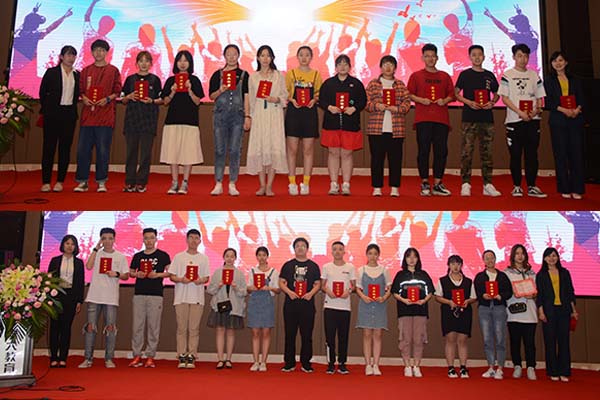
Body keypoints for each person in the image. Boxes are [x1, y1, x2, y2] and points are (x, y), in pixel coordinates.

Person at [498, 43, 547, 198]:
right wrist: (520, 112)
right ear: (514, 57)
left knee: (532, 155)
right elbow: (505, 98)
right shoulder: (507, 75)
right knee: (515, 155)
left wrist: (535, 111)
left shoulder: (534, 75)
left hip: (533, 120)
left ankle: (532, 186)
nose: (523, 59)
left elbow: (540, 97)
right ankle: (517, 186)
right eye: (519, 56)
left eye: (526, 56)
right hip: (514, 121)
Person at [74, 39, 121, 193]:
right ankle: (82, 181)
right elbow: (81, 90)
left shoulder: (113, 71)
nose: (98, 53)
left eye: (102, 50)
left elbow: (117, 91)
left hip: (105, 117)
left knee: (102, 150)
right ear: (92, 52)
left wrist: (107, 99)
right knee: (83, 150)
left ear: (107, 52)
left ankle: (101, 181)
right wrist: (84, 98)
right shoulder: (86, 70)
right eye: (96, 50)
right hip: (88, 117)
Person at [407, 43, 455, 197]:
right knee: (424, 151)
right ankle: (425, 182)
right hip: (423, 119)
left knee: (441, 151)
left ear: (437, 58)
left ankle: (438, 183)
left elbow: (452, 95)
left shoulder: (444, 76)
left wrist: (444, 100)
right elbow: (409, 94)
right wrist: (420, 100)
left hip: (441, 119)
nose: (430, 59)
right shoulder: (416, 76)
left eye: (433, 56)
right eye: (427, 56)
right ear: (422, 58)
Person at [454, 45, 502, 197]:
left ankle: (488, 184)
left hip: (486, 118)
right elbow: (456, 93)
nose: (477, 57)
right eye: (474, 55)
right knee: (466, 152)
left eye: (479, 54)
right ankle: (465, 183)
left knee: (487, 153)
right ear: (470, 57)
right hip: (469, 118)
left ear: (484, 57)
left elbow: (497, 93)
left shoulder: (489, 75)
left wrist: (492, 102)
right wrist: (468, 102)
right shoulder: (465, 74)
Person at [78, 228, 129, 368]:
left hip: (111, 298)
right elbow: (88, 266)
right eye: (104, 238)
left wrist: (116, 274)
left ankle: (109, 358)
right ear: (101, 239)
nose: (107, 241)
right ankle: (88, 359)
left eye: (110, 238)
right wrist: (96, 248)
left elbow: (126, 275)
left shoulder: (120, 256)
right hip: (94, 296)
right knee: (90, 328)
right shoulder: (97, 253)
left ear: (114, 239)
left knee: (111, 329)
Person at [318, 54, 367, 195]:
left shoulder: (356, 84)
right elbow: (321, 100)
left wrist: (354, 108)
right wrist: (329, 107)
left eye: (345, 64)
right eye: (340, 64)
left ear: (350, 67)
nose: (342, 66)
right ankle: (333, 184)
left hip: (350, 124)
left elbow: (363, 101)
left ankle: (346, 184)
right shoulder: (328, 83)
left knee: (347, 153)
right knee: (333, 152)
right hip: (331, 124)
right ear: (335, 67)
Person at [365, 55, 411, 197]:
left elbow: (407, 103)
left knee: (395, 160)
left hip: (396, 129)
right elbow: (366, 102)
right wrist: (376, 105)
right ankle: (377, 187)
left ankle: (394, 187)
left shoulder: (400, 85)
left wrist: (397, 109)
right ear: (380, 67)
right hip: (376, 128)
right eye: (385, 64)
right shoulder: (373, 84)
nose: (388, 67)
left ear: (395, 68)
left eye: (391, 64)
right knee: (377, 159)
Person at [160, 50, 205, 195]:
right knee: (172, 153)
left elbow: (197, 102)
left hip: (190, 121)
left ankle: (185, 182)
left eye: (186, 60)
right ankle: (174, 182)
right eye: (180, 60)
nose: (183, 63)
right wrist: (172, 91)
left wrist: (190, 90)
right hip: (172, 121)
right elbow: (165, 102)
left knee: (188, 153)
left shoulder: (195, 80)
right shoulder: (170, 80)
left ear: (190, 63)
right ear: (176, 63)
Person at [209, 44, 251, 196]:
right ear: (224, 56)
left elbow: (246, 97)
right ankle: (218, 182)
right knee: (219, 150)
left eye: (234, 54)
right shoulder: (217, 75)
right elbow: (211, 96)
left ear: (238, 56)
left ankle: (233, 182)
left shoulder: (244, 75)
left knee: (235, 150)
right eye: (228, 54)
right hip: (220, 116)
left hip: (237, 117)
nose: (232, 57)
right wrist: (221, 90)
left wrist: (247, 116)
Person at [246, 45, 288, 196]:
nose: (265, 58)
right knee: (260, 148)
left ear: (272, 58)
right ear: (258, 58)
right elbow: (251, 99)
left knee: (273, 148)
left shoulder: (278, 75)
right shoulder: (253, 77)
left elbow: (285, 95)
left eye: (268, 55)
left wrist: (276, 99)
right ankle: (262, 185)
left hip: (274, 115)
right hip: (259, 116)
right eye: (262, 55)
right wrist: (250, 116)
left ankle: (270, 186)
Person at [544, 51, 586, 199]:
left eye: (561, 60)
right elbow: (548, 102)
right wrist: (564, 110)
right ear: (551, 64)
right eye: (555, 61)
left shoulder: (575, 79)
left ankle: (577, 188)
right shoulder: (548, 80)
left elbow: (582, 98)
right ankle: (564, 188)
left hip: (575, 120)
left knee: (576, 154)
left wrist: (577, 110)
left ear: (566, 62)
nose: (558, 63)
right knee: (561, 155)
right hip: (558, 121)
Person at [127, 228, 171, 368]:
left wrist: (157, 275)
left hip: (156, 294)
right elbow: (131, 272)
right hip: (139, 294)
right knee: (137, 327)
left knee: (153, 327)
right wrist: (137, 274)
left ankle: (150, 356)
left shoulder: (163, 255)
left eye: (152, 238)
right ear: (143, 239)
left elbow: (171, 273)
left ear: (156, 239)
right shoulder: (138, 256)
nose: (149, 241)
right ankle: (137, 355)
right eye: (146, 238)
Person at [39, 45, 80, 193]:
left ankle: (60, 181)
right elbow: (42, 93)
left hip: (69, 115)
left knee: (65, 149)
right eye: (68, 55)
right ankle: (45, 182)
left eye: (73, 55)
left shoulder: (77, 74)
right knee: (48, 148)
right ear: (62, 57)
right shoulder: (51, 72)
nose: (71, 58)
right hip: (52, 115)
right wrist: (48, 110)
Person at [121, 51, 163, 193]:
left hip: (148, 120)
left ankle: (141, 182)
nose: (144, 64)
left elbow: (161, 99)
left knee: (145, 154)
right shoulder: (130, 79)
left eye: (147, 61)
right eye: (141, 61)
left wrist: (152, 100)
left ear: (151, 64)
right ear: (136, 63)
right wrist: (129, 96)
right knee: (131, 152)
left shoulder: (155, 80)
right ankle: (129, 182)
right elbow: (123, 100)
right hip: (132, 120)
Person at [168, 229, 210, 368]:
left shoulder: (204, 258)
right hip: (181, 297)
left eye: (196, 238)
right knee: (181, 328)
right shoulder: (179, 257)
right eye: (191, 237)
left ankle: (192, 355)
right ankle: (181, 355)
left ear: (200, 241)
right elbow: (172, 276)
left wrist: (200, 280)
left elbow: (206, 277)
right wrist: (181, 279)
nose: (193, 240)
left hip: (197, 298)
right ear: (186, 240)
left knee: (194, 329)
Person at [285, 46, 323, 196]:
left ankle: (306, 183)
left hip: (309, 113)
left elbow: (320, 93)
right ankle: (292, 182)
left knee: (308, 150)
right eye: (301, 55)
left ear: (311, 57)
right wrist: (291, 99)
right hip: (294, 113)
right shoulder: (291, 74)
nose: (304, 58)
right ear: (297, 57)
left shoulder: (316, 74)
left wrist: (314, 99)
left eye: (307, 55)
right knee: (292, 150)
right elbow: (285, 93)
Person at [391, 247, 435, 377]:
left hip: (420, 311)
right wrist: (403, 300)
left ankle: (416, 365)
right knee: (405, 339)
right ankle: (407, 366)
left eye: (414, 256)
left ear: (418, 259)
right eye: (409, 256)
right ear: (405, 259)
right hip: (404, 310)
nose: (411, 259)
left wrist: (424, 300)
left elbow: (430, 291)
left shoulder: (423, 274)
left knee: (418, 339)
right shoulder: (400, 275)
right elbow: (395, 292)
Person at [279, 237, 321, 372]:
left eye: (303, 246)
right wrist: (289, 292)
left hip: (307, 305)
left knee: (307, 335)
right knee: (289, 335)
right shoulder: (288, 265)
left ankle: (306, 363)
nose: (300, 248)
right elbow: (281, 282)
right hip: (291, 305)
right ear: (294, 249)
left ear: (307, 249)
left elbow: (318, 283)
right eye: (297, 246)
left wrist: (311, 294)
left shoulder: (313, 266)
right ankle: (289, 363)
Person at [536, 247, 578, 382]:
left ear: (558, 257)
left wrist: (573, 310)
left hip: (564, 311)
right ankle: (553, 371)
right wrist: (541, 312)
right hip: (549, 311)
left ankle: (564, 371)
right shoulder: (541, 275)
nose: (551, 258)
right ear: (544, 259)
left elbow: (570, 292)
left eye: (554, 255)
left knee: (564, 342)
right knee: (550, 342)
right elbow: (540, 296)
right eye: (549, 256)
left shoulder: (565, 273)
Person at [434, 255, 477, 378]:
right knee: (450, 339)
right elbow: (437, 296)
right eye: (452, 264)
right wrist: (449, 302)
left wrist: (468, 301)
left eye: (458, 264)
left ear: (461, 265)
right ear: (448, 265)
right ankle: (451, 368)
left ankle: (463, 367)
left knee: (462, 340)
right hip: (448, 312)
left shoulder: (468, 281)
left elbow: (473, 297)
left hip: (465, 313)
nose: (455, 266)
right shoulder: (442, 280)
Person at [473, 250, 513, 379]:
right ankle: (491, 367)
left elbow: (509, 292)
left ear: (495, 259)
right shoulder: (479, 277)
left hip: (499, 308)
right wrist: (483, 296)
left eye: (492, 258)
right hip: (484, 308)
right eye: (487, 258)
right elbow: (477, 293)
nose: (490, 260)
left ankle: (500, 368)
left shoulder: (502, 276)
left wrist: (500, 296)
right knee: (487, 338)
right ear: (483, 261)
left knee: (500, 338)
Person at [206, 248, 247, 369]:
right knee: (220, 331)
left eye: (232, 256)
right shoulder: (218, 272)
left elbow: (244, 292)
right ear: (223, 257)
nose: (229, 259)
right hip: (220, 305)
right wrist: (218, 286)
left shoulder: (239, 273)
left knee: (230, 332)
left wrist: (236, 287)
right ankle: (220, 359)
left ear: (235, 258)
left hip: (234, 306)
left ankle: (228, 359)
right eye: (227, 256)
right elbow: (210, 290)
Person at [48, 234, 84, 367]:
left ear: (75, 247)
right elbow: (49, 280)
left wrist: (79, 301)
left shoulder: (79, 263)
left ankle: (63, 357)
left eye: (72, 244)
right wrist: (49, 298)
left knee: (66, 328)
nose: (69, 246)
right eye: (67, 243)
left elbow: (80, 283)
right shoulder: (55, 260)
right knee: (54, 327)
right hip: (56, 295)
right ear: (63, 245)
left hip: (71, 297)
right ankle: (53, 357)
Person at [355, 244, 391, 376]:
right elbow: (357, 288)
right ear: (366, 255)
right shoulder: (361, 270)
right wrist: (363, 296)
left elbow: (389, 288)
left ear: (378, 255)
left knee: (378, 335)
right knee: (366, 335)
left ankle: (376, 364)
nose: (373, 256)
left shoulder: (384, 270)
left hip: (380, 306)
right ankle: (368, 364)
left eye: (375, 253)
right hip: (365, 305)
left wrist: (384, 297)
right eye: (370, 253)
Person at [321, 241, 356, 374]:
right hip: (330, 306)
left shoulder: (350, 267)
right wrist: (327, 291)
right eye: (335, 249)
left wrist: (349, 291)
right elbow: (322, 285)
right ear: (331, 252)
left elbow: (354, 285)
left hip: (345, 307)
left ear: (344, 252)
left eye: (340, 249)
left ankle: (342, 363)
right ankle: (330, 363)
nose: (337, 251)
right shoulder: (326, 267)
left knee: (343, 337)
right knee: (330, 337)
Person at [505, 244, 539, 380]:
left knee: (530, 343)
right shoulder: (507, 273)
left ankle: (531, 367)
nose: (520, 256)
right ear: (513, 256)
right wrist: (513, 292)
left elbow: (537, 291)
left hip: (530, 313)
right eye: (517, 253)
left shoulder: (532, 273)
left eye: (522, 253)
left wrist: (534, 294)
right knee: (515, 342)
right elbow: (505, 291)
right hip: (513, 313)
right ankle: (517, 366)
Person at [247, 246, 280, 371]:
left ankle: (264, 362)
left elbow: (278, 290)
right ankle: (255, 361)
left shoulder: (273, 272)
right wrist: (252, 288)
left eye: (264, 255)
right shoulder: (252, 271)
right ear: (256, 257)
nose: (261, 257)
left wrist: (269, 288)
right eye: (259, 255)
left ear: (267, 256)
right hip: (254, 303)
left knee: (266, 333)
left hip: (267, 303)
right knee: (255, 333)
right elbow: (248, 288)